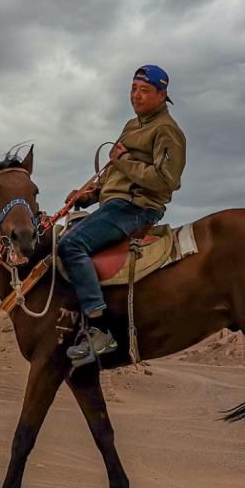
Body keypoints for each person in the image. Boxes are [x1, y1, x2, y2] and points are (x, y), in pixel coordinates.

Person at [60, 64, 186, 363]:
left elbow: (167, 180)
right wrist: (88, 195)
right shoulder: (132, 126)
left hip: (137, 208)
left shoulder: (167, 130)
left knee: (71, 245)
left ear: (162, 94)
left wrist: (123, 160)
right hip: (115, 204)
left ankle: (100, 331)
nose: (136, 96)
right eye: (133, 89)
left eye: (144, 91)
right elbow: (116, 174)